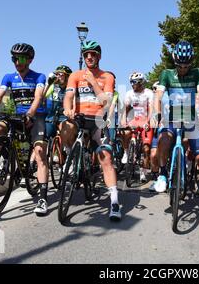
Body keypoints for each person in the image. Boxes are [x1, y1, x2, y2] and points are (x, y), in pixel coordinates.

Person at [151, 40, 199, 227]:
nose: (183, 69)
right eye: (180, 65)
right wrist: (156, 114)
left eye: (187, 65)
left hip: (192, 119)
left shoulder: (198, 73)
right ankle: (162, 174)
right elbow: (158, 96)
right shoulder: (166, 74)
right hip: (171, 118)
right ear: (175, 62)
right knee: (163, 141)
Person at [0, 43, 49, 216]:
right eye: (13, 58)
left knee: (40, 152)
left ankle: (42, 198)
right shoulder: (8, 77)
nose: (16, 61)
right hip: (15, 116)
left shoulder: (39, 77)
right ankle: (8, 158)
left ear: (29, 60)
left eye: (20, 58)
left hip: (36, 116)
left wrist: (30, 114)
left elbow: (38, 97)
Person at [62, 40, 122, 221]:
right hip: (79, 119)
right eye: (86, 54)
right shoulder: (75, 75)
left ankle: (114, 201)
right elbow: (69, 96)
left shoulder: (107, 77)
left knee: (106, 159)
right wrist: (67, 109)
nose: (89, 57)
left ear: (99, 56)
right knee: (64, 127)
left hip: (97, 121)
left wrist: (93, 82)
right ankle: (71, 158)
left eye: (93, 54)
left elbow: (106, 102)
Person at [121, 72, 154, 183]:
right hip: (135, 120)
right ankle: (126, 152)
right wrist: (123, 120)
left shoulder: (148, 93)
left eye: (134, 82)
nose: (132, 85)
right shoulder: (129, 93)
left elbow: (151, 109)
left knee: (146, 149)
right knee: (125, 133)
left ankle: (143, 172)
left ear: (141, 82)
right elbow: (125, 109)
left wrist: (148, 122)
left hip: (146, 121)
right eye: (131, 82)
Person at [44, 65, 72, 140]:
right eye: (56, 74)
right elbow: (42, 97)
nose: (57, 77)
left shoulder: (71, 88)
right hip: (52, 116)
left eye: (60, 74)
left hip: (65, 117)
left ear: (67, 77)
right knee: (47, 136)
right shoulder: (53, 86)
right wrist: (48, 84)